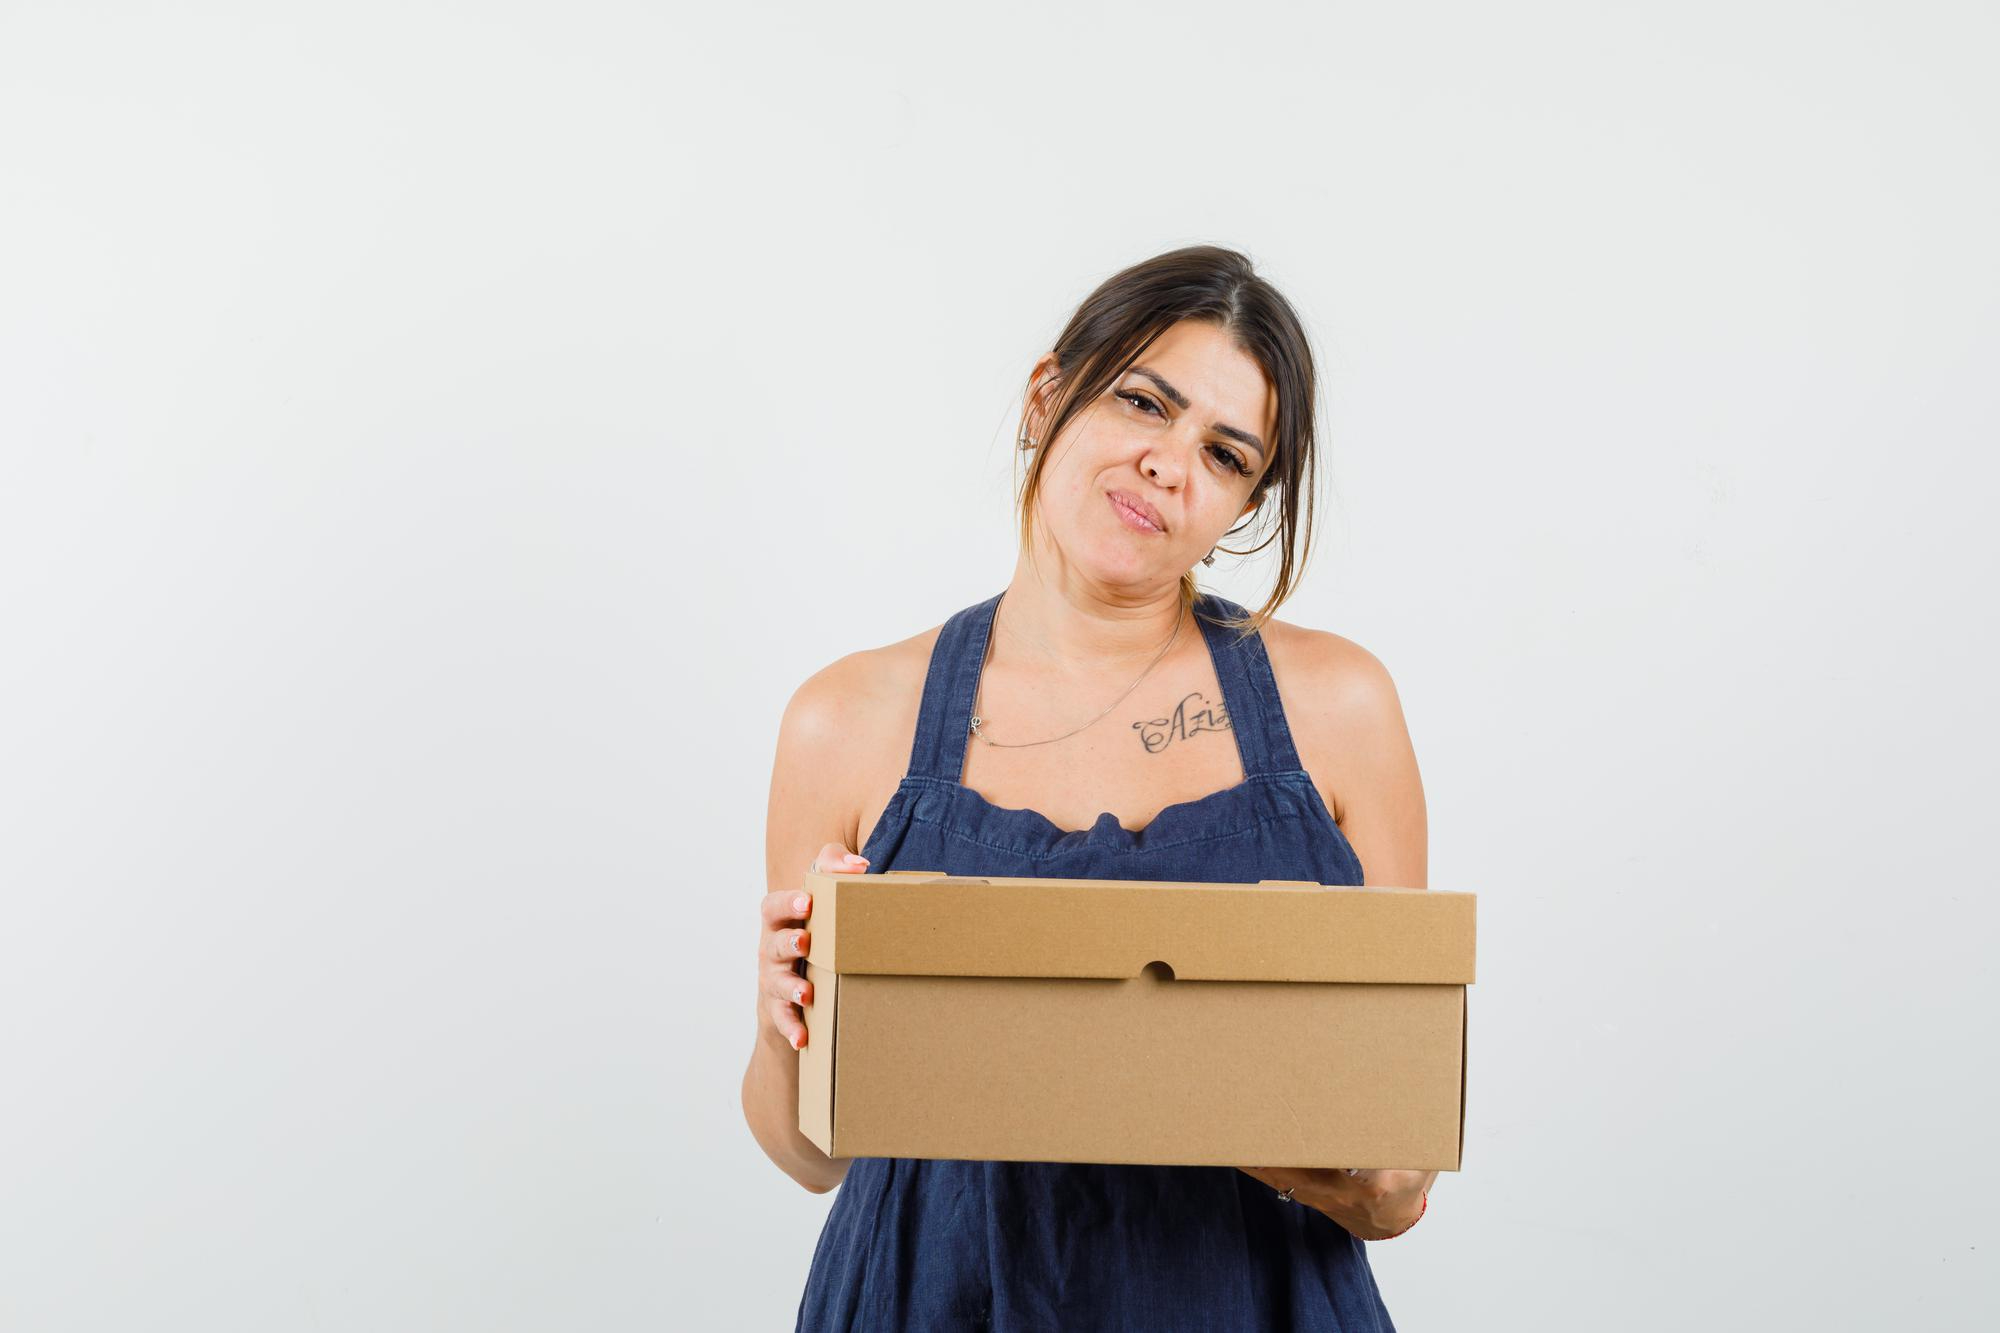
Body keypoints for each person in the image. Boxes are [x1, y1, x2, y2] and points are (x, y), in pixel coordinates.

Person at [742, 245, 1433, 1331]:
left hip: (1243, 1301)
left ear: (1243, 506)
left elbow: (1395, 1187)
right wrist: (787, 1009)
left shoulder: (1338, 709)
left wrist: (1164, 1089)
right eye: (1142, 402)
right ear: (1045, 396)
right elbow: (807, 1154)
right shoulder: (845, 718)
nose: (1167, 463)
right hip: (931, 1298)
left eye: (1223, 452)